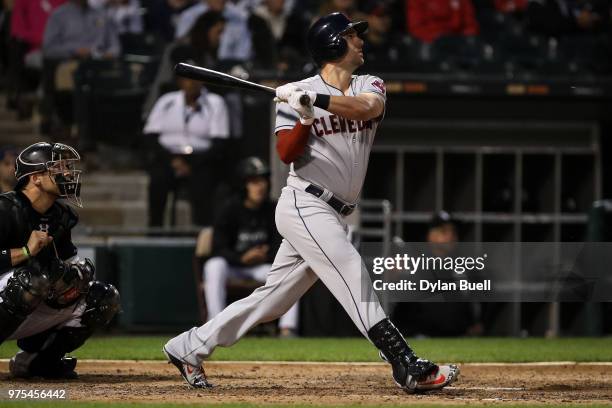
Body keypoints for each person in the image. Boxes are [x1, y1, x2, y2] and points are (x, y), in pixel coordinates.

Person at [163, 12, 459, 392]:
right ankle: (405, 364)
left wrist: (316, 100)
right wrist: (303, 117)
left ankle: (188, 346)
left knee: (272, 302)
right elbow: (286, 153)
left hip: (338, 213)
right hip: (305, 203)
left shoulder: (369, 83)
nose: (360, 41)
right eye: (353, 36)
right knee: (353, 272)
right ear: (334, 43)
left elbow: (367, 109)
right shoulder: (293, 93)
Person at [0, 142, 120, 378]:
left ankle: (38, 362)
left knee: (102, 297)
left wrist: (73, 275)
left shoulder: (61, 215)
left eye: (67, 166)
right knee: (29, 282)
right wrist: (25, 251)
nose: (67, 173)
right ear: (35, 178)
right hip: (13, 291)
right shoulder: (5, 209)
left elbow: (65, 264)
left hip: (28, 297)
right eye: (58, 167)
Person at [204, 157, 299, 336]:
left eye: (262, 181)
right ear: (243, 185)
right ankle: (214, 326)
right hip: (233, 266)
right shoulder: (229, 210)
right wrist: (241, 258)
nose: (260, 186)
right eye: (254, 182)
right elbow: (218, 248)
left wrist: (266, 255)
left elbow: (282, 242)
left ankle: (287, 328)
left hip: (261, 266)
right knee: (214, 266)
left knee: (291, 271)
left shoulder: (273, 209)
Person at [143, 45, 230, 226]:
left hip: (201, 159)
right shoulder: (166, 101)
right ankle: (155, 231)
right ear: (180, 81)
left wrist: (191, 165)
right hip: (169, 157)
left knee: (204, 183)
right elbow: (150, 136)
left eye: (196, 79)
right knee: (157, 181)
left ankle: (202, 234)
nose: (191, 83)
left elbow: (220, 142)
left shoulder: (215, 103)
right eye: (187, 79)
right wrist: (173, 160)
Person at [392, 211, 484, 337]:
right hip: (420, 337)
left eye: (453, 232)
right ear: (431, 235)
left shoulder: (465, 266)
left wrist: (476, 323)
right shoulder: (415, 263)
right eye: (444, 231)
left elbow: (480, 299)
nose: (450, 236)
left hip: (458, 337)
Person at [406, 0, 480, 43]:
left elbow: (470, 25)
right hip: (431, 45)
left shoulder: (461, 1)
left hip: (458, 44)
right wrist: (437, 38)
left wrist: (465, 39)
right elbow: (416, 28)